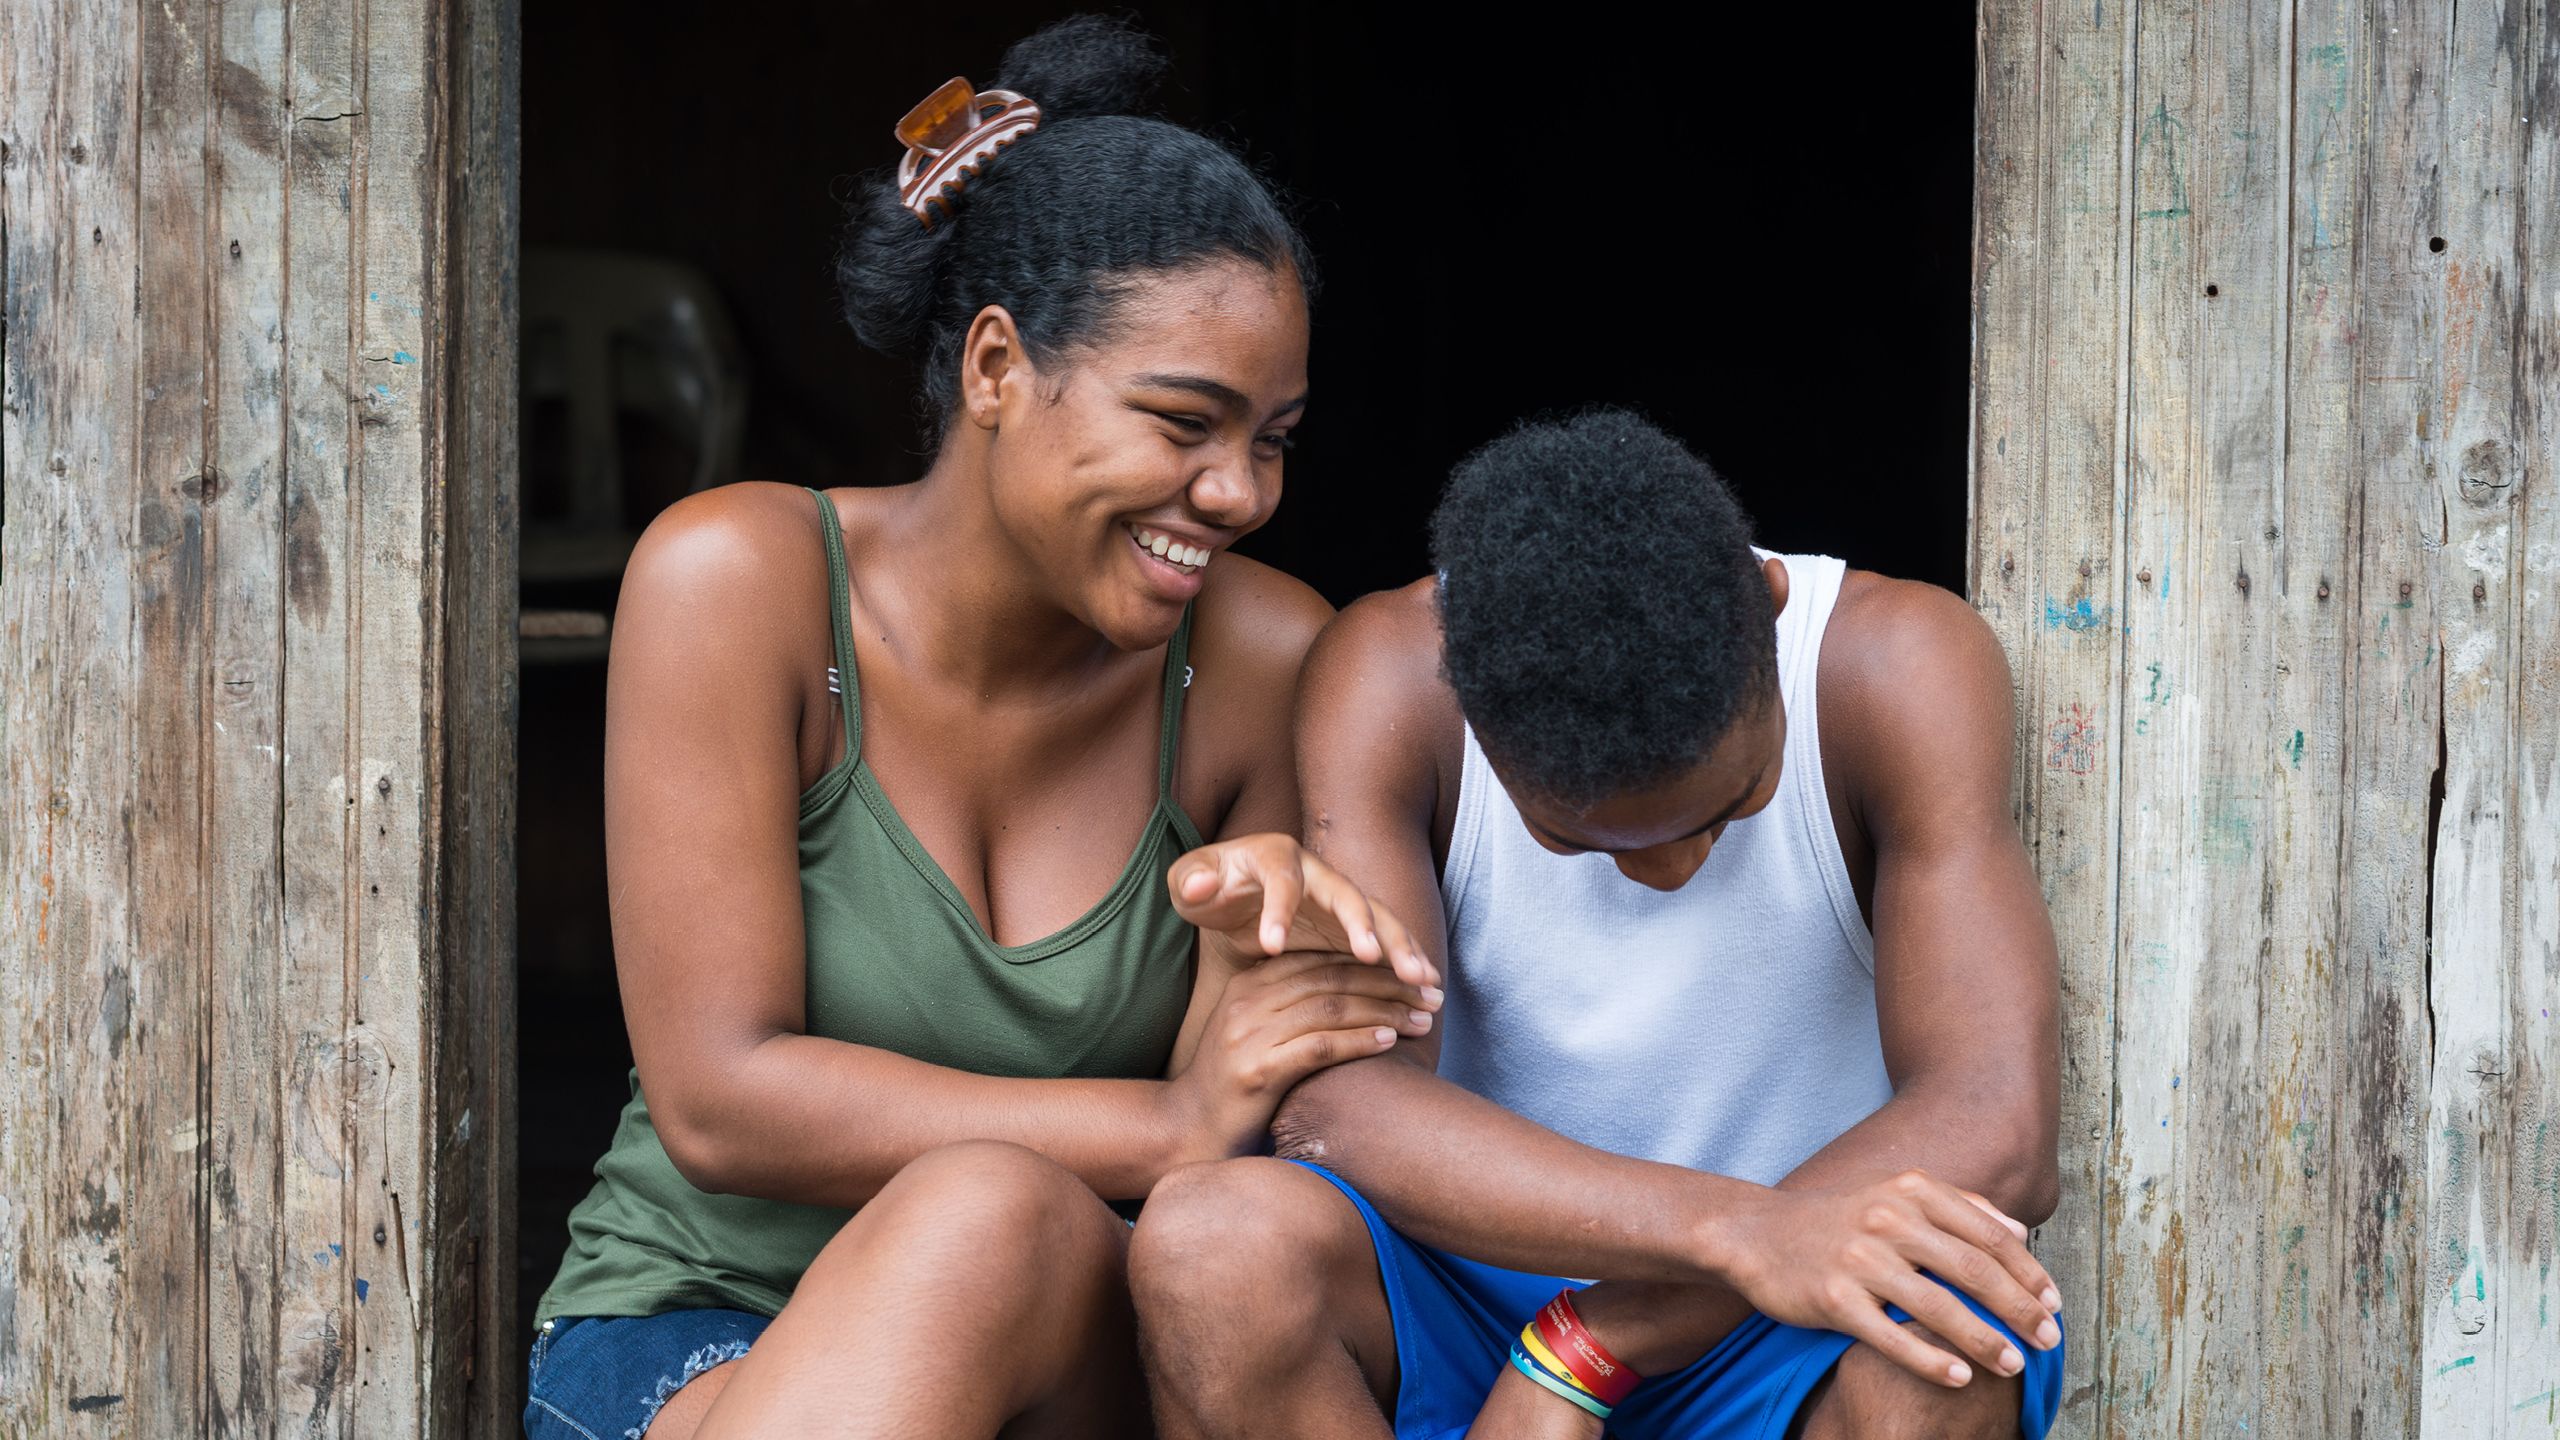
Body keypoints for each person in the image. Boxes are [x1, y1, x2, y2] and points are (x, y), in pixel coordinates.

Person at [522, 18, 1440, 1439]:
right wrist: (1166, 1122)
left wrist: (1270, 969)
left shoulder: (1263, 663)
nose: (1240, 490)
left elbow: (1260, 1096)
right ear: (999, 369)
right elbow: (723, 1101)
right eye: (1184, 420)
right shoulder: (741, 586)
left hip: (1065, 1348)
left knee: (999, 1216)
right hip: (703, 1340)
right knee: (983, 1206)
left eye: (1273, 437)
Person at [1129, 410, 2068, 1440]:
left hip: (1784, 1312)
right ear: (1470, 710)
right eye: (1579, 840)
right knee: (1208, 1241)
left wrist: (1591, 1345)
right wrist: (1729, 1230)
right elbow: (1349, 1103)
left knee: (1946, 1350)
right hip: (1487, 1295)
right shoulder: (1394, 678)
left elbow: (1994, 1124)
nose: (1670, 870)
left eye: (1726, 807)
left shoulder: (1889, 664)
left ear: (1759, 611)